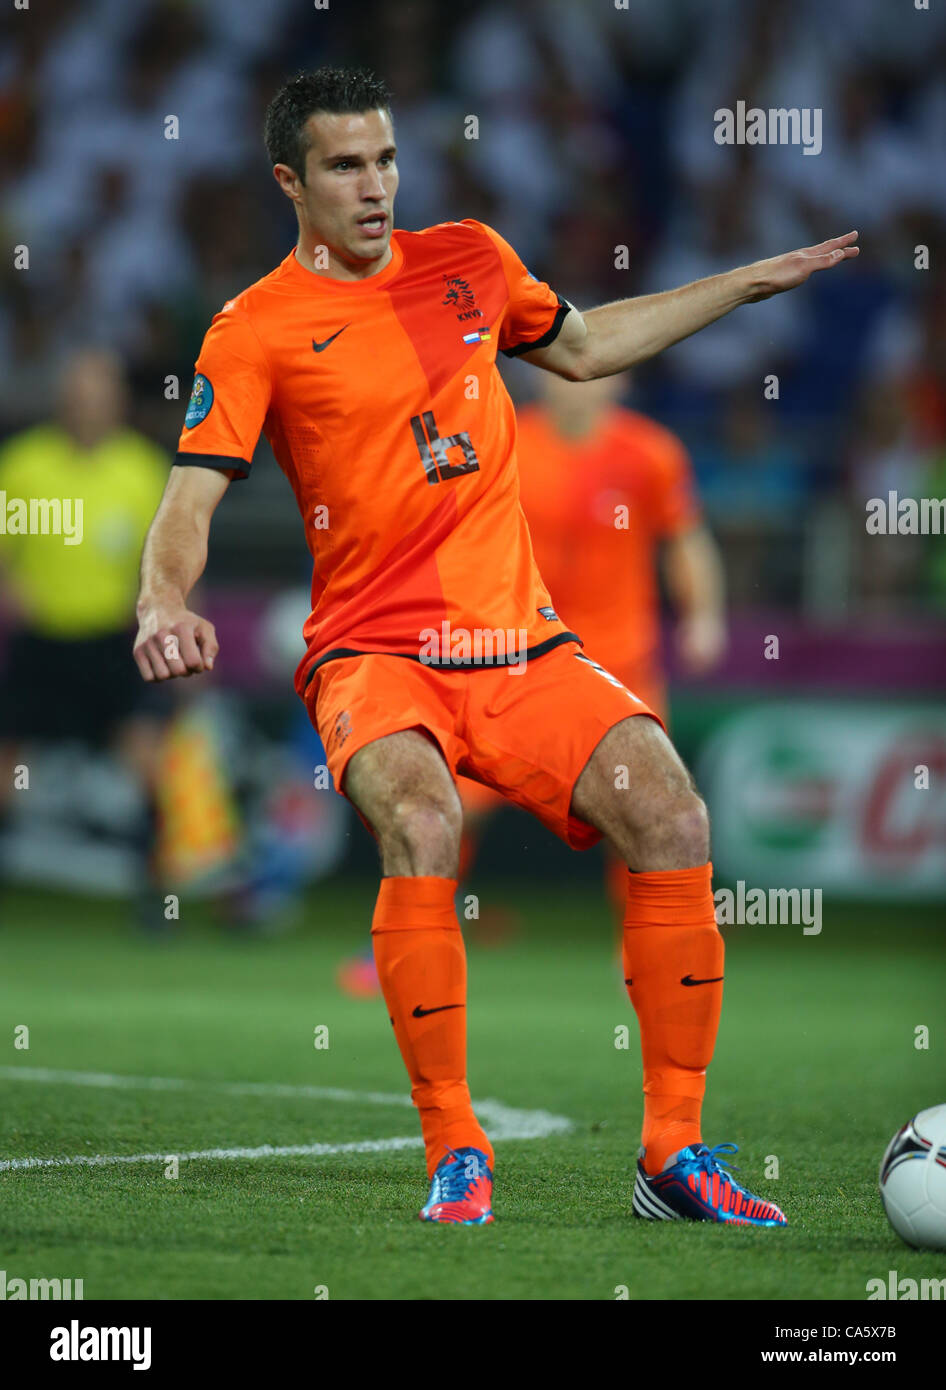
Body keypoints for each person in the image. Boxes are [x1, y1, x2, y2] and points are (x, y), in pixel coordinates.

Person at [134, 66, 858, 1226]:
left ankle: (671, 1154)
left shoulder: (470, 256)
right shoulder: (253, 328)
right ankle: (454, 1146)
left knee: (671, 814)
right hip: (373, 651)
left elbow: (579, 347)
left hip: (519, 647)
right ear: (291, 181)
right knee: (421, 823)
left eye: (383, 160)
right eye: (342, 166)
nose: (373, 187)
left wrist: (745, 285)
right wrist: (162, 601)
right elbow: (190, 497)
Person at [457, 370, 726, 917]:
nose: (575, 382)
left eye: (591, 370)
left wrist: (704, 617)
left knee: (646, 808)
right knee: (453, 802)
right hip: (516, 652)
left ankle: (646, 951)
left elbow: (685, 537)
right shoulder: (504, 440)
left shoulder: (650, 452)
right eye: (560, 370)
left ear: (619, 379)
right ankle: (415, 930)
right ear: (541, 379)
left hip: (618, 661)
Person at [0, 348, 169, 910]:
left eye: (97, 397)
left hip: (112, 645)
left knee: (149, 762)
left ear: (117, 402)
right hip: (40, 645)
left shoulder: (142, 469)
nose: (87, 407)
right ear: (61, 401)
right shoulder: (23, 465)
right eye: (77, 397)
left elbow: (172, 561)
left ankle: (156, 895)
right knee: (7, 767)